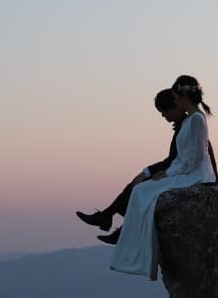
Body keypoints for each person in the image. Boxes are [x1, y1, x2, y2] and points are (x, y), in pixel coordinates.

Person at [110, 77, 217, 280]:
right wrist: (165, 173)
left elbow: (194, 161)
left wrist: (167, 174)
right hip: (184, 171)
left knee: (144, 191)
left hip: (196, 175)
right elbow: (181, 158)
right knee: (141, 190)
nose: (175, 100)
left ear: (184, 96)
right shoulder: (191, 120)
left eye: (176, 96)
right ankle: (128, 255)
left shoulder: (197, 120)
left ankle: (136, 258)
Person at [76, 89, 182, 245]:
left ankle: (114, 223)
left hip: (183, 173)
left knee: (140, 187)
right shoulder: (183, 125)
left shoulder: (186, 126)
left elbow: (173, 159)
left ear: (172, 108)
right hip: (178, 170)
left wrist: (147, 172)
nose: (162, 115)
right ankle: (109, 219)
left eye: (163, 111)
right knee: (135, 184)